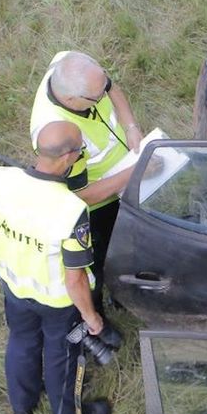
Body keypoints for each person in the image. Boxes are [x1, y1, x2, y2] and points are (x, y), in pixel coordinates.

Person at [0, 121, 113, 414]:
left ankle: (22, 411)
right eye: (80, 151)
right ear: (67, 158)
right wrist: (91, 317)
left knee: (22, 343)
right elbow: (75, 279)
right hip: (58, 303)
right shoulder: (70, 209)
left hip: (14, 288)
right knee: (61, 356)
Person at [29, 51, 143, 309]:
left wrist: (131, 127)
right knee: (106, 258)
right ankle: (102, 309)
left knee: (132, 242)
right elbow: (77, 196)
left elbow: (111, 87)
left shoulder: (72, 65)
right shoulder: (60, 136)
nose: (104, 94)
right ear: (72, 99)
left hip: (125, 176)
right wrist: (136, 171)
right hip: (98, 207)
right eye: (97, 96)